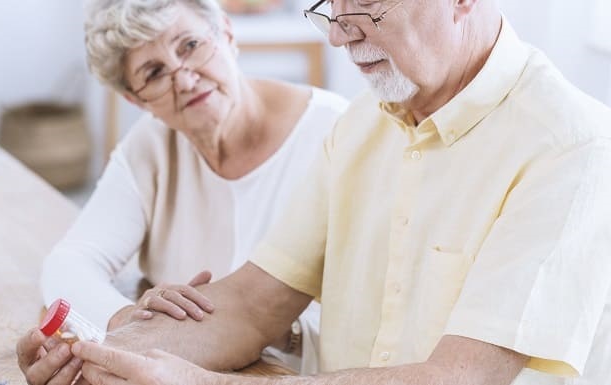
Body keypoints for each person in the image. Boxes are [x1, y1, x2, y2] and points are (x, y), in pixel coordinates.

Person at [32, 0, 611, 384]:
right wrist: (86, 352)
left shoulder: (572, 144)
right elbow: (253, 303)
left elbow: (457, 377)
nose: (337, 34)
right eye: (331, 6)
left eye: (367, 3)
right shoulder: (361, 126)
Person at [17, 0, 349, 381]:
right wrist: (129, 320)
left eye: (190, 46)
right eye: (154, 72)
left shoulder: (334, 132)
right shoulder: (151, 147)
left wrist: (281, 329)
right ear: (136, 100)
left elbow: (373, 317)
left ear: (226, 33)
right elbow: (69, 262)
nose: (186, 80)